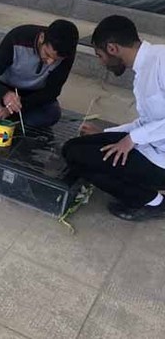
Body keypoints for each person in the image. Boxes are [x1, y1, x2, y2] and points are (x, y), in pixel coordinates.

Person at [63, 15, 165, 221]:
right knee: (73, 147)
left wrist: (131, 139)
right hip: (150, 145)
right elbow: (146, 122)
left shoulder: (161, 61)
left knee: (78, 158)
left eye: (100, 55)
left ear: (112, 48)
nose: (102, 62)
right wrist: (106, 133)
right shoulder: (144, 68)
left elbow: (142, 132)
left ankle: (154, 202)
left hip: (161, 159)